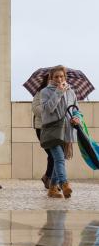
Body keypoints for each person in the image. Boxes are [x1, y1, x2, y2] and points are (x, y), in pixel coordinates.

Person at [40, 66, 80, 199]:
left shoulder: (71, 92)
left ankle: (52, 188)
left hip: (67, 131)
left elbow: (76, 109)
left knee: (60, 159)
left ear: (65, 77)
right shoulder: (45, 92)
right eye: (56, 76)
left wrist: (76, 117)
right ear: (51, 77)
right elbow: (48, 109)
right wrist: (58, 92)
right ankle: (64, 184)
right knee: (58, 158)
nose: (59, 79)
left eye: (61, 76)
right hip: (52, 130)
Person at [32, 76, 54, 190]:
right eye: (50, 78)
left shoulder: (59, 93)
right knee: (52, 153)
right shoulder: (40, 92)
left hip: (57, 128)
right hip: (42, 128)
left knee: (56, 155)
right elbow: (35, 109)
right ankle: (49, 178)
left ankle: (49, 178)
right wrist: (50, 110)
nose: (52, 80)